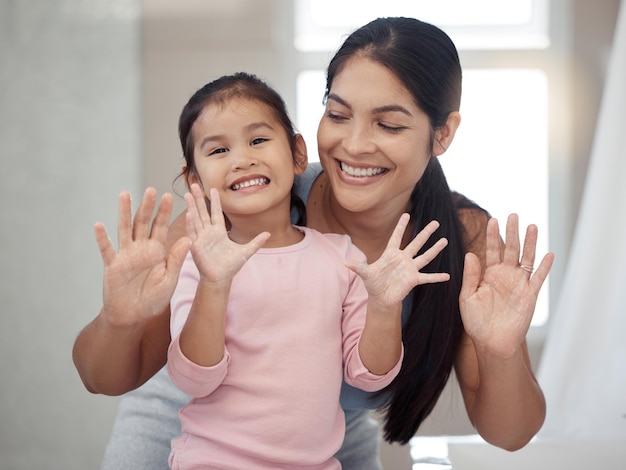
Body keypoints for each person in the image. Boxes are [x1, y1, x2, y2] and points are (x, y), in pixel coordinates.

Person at [73, 17, 554, 470]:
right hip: (191, 430)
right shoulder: (242, 209)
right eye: (338, 114)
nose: (355, 144)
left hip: (326, 444)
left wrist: (501, 351)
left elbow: (511, 434)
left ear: (442, 133)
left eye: (389, 124)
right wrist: (118, 320)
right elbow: (102, 378)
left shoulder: (461, 237)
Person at [165, 72, 449, 469]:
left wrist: (384, 306)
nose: (242, 158)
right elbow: (194, 379)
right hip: (214, 461)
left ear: (298, 153)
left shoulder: (341, 257)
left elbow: (369, 376)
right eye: (218, 151)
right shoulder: (202, 264)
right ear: (194, 180)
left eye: (258, 140)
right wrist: (214, 284)